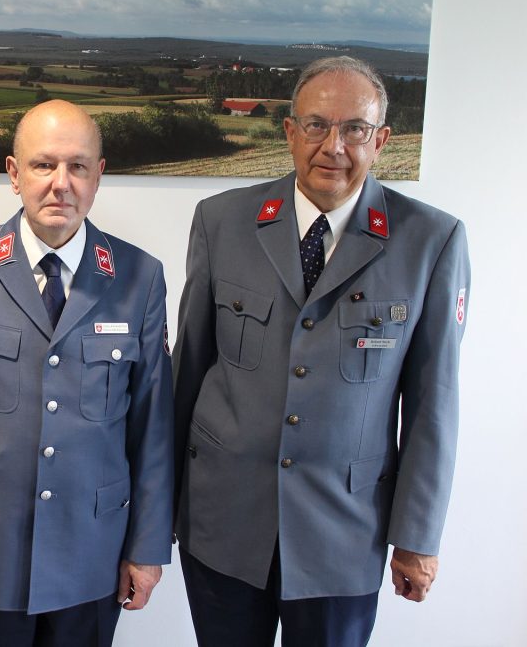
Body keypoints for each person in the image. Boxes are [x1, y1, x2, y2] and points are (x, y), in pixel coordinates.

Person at [172, 56, 470, 646]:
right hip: (225, 523)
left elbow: (435, 407)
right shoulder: (221, 221)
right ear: (289, 131)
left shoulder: (431, 241)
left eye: (355, 129)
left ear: (381, 140)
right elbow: (185, 378)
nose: (334, 146)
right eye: (316, 125)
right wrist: (156, 516)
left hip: (344, 533)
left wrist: (417, 537)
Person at [0, 99, 173, 647]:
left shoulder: (139, 277)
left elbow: (153, 428)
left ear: (99, 175)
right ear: (13, 173)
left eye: (78, 166)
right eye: (43, 164)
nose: (61, 183)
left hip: (95, 549)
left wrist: (147, 548)